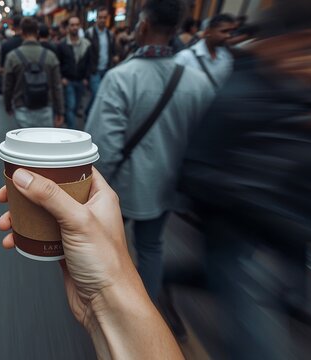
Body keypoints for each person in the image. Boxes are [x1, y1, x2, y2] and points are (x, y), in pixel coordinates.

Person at [180, 0, 311, 357]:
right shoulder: (238, 96)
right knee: (257, 340)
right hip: (239, 237)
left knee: (268, 297)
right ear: (285, 43)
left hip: (287, 236)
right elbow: (197, 172)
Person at [84, 0, 214, 301]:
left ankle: (110, 305)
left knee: (109, 246)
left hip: (121, 187)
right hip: (166, 187)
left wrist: (91, 192)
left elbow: (103, 146)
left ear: (142, 26)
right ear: (175, 31)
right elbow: (200, 143)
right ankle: (149, 310)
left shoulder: (121, 78)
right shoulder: (199, 83)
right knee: (151, 248)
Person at [0, 168, 184, 359]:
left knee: (125, 239)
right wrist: (103, 293)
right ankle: (149, 295)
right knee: (149, 247)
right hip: (163, 189)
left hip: (127, 184)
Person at [3, 17, 64, 128]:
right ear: (37, 32)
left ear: (22, 32)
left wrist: (8, 106)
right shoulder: (50, 56)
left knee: (25, 143)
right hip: (45, 107)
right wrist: (60, 111)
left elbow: (7, 86)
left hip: (22, 107)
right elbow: (57, 86)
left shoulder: (12, 57)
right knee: (44, 143)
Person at [175, 14, 235, 89]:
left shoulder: (227, 57)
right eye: (224, 31)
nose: (228, 36)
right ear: (208, 31)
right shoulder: (185, 57)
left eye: (231, 32)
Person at [57, 16, 92, 130]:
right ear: (68, 27)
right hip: (69, 80)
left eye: (77, 25)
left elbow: (88, 62)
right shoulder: (62, 44)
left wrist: (86, 77)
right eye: (72, 25)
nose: (75, 27)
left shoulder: (86, 44)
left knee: (77, 106)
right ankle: (72, 131)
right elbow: (59, 63)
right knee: (71, 106)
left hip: (81, 80)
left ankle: (70, 125)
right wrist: (62, 77)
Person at [85, 7, 117, 114]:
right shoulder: (89, 33)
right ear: (97, 18)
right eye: (100, 17)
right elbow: (85, 54)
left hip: (105, 69)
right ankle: (90, 114)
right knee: (97, 94)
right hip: (94, 70)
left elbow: (112, 51)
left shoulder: (110, 34)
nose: (102, 20)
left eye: (104, 17)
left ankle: (88, 111)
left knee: (100, 95)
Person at [0, 15, 24, 94]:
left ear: (12, 27)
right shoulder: (29, 43)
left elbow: (3, 68)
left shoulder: (6, 45)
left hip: (14, 84)